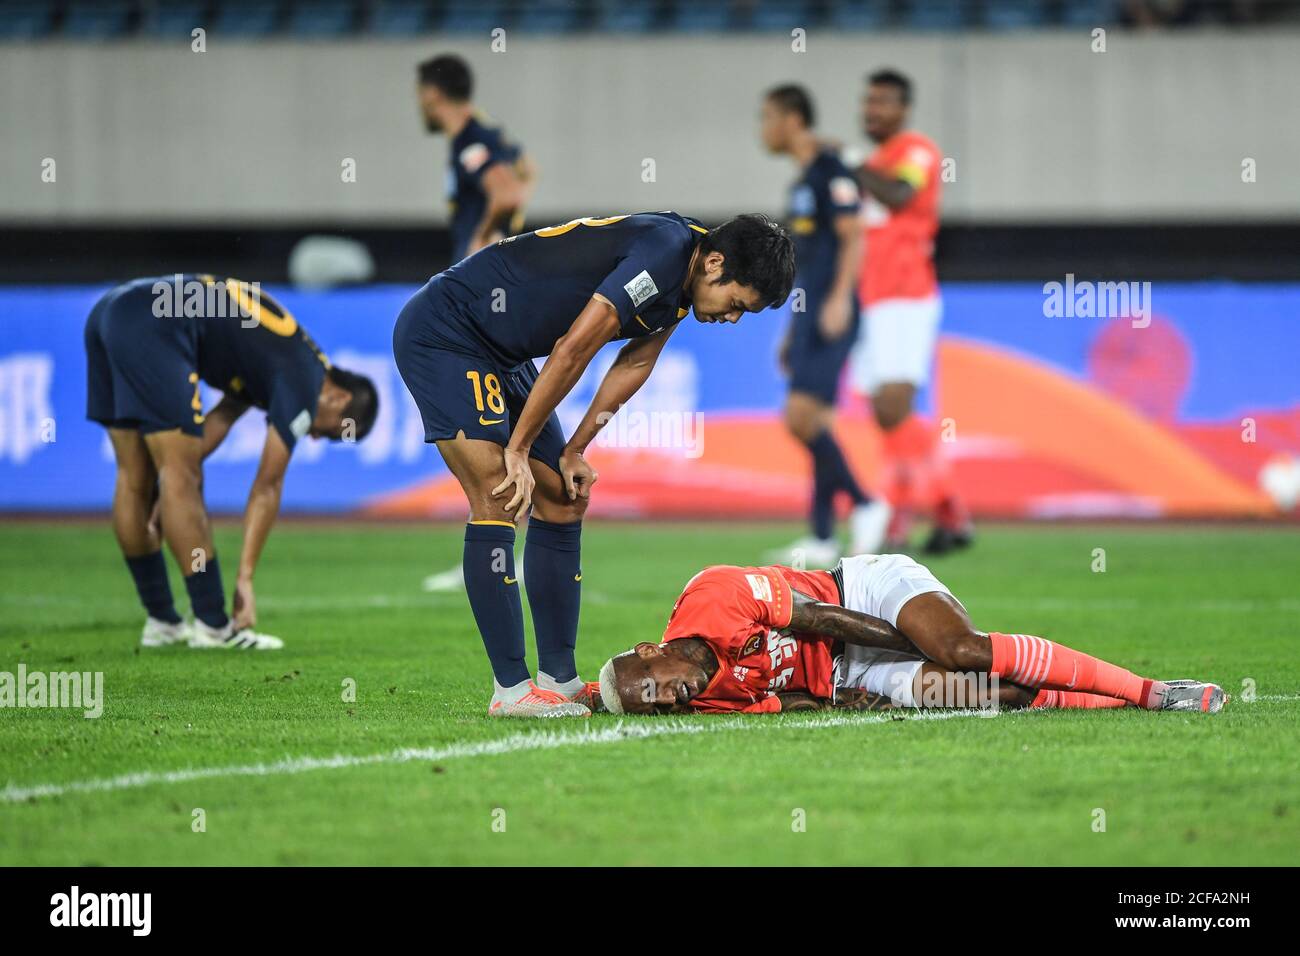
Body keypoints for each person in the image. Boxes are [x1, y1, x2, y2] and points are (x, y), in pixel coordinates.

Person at [393, 212, 795, 717]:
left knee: (564, 495)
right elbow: (573, 349)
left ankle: (558, 680)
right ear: (714, 263)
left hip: (504, 355)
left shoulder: (685, 273)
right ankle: (512, 692)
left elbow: (634, 363)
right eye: (736, 304)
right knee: (500, 491)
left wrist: (574, 448)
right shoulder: (662, 253)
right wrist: (516, 450)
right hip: (448, 333)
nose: (732, 318)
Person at [85, 274, 378, 649]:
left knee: (135, 476)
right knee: (181, 475)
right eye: (333, 432)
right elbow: (267, 486)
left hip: (114, 308)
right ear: (338, 398)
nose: (316, 437)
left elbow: (221, 418)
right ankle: (213, 626)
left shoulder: (284, 357)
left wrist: (172, 483)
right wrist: (245, 578)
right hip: (154, 324)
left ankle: (163, 622)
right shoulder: (306, 382)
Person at [594, 557, 1226, 716]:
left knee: (963, 653)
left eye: (653, 689)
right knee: (987, 695)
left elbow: (821, 620)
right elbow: (781, 701)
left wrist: (914, 644)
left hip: (860, 595)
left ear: (651, 650)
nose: (670, 701)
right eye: (656, 706)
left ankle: (1151, 691)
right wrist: (835, 699)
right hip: (852, 673)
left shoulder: (714, 595)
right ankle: (1104, 704)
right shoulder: (701, 695)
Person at [760, 84, 890, 568]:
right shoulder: (803, 179)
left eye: (767, 116)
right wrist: (793, 328)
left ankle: (865, 502)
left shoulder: (832, 172)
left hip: (833, 308)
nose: (763, 128)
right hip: (808, 310)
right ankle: (821, 536)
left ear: (792, 119)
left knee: (800, 418)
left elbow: (853, 237)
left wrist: (838, 299)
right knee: (815, 421)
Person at [852, 69, 972, 554]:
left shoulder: (917, 152)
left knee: (894, 405)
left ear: (903, 109)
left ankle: (899, 514)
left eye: (882, 102)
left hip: (906, 295)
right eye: (868, 101)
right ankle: (948, 511)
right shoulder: (875, 161)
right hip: (873, 297)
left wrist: (850, 166)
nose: (872, 110)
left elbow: (900, 195)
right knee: (884, 412)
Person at [417, 53, 535, 264]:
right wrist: (506, 228)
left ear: (432, 94)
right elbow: (527, 169)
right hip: (495, 266)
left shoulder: (470, 142)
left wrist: (481, 237)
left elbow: (508, 195)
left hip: (479, 271)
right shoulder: (486, 130)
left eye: (419, 94)